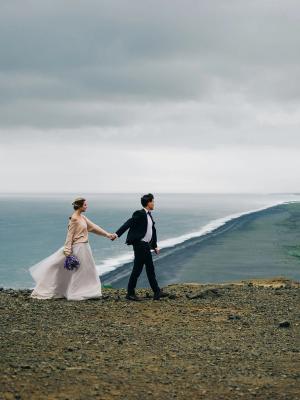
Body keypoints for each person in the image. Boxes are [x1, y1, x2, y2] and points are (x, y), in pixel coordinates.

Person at [29, 197, 114, 300]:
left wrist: (107, 235)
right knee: (79, 271)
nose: (87, 206)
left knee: (88, 271)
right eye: (85, 205)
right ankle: (76, 293)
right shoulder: (74, 219)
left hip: (85, 247)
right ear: (80, 206)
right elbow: (69, 236)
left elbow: (93, 227)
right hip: (78, 248)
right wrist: (68, 252)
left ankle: (90, 292)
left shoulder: (83, 217)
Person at [111, 193, 169, 301]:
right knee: (141, 269)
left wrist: (155, 246)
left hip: (145, 245)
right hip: (140, 245)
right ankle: (133, 293)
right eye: (153, 201)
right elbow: (129, 223)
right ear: (148, 203)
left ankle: (155, 292)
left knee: (145, 269)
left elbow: (152, 231)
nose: (154, 203)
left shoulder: (149, 215)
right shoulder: (140, 213)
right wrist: (116, 234)